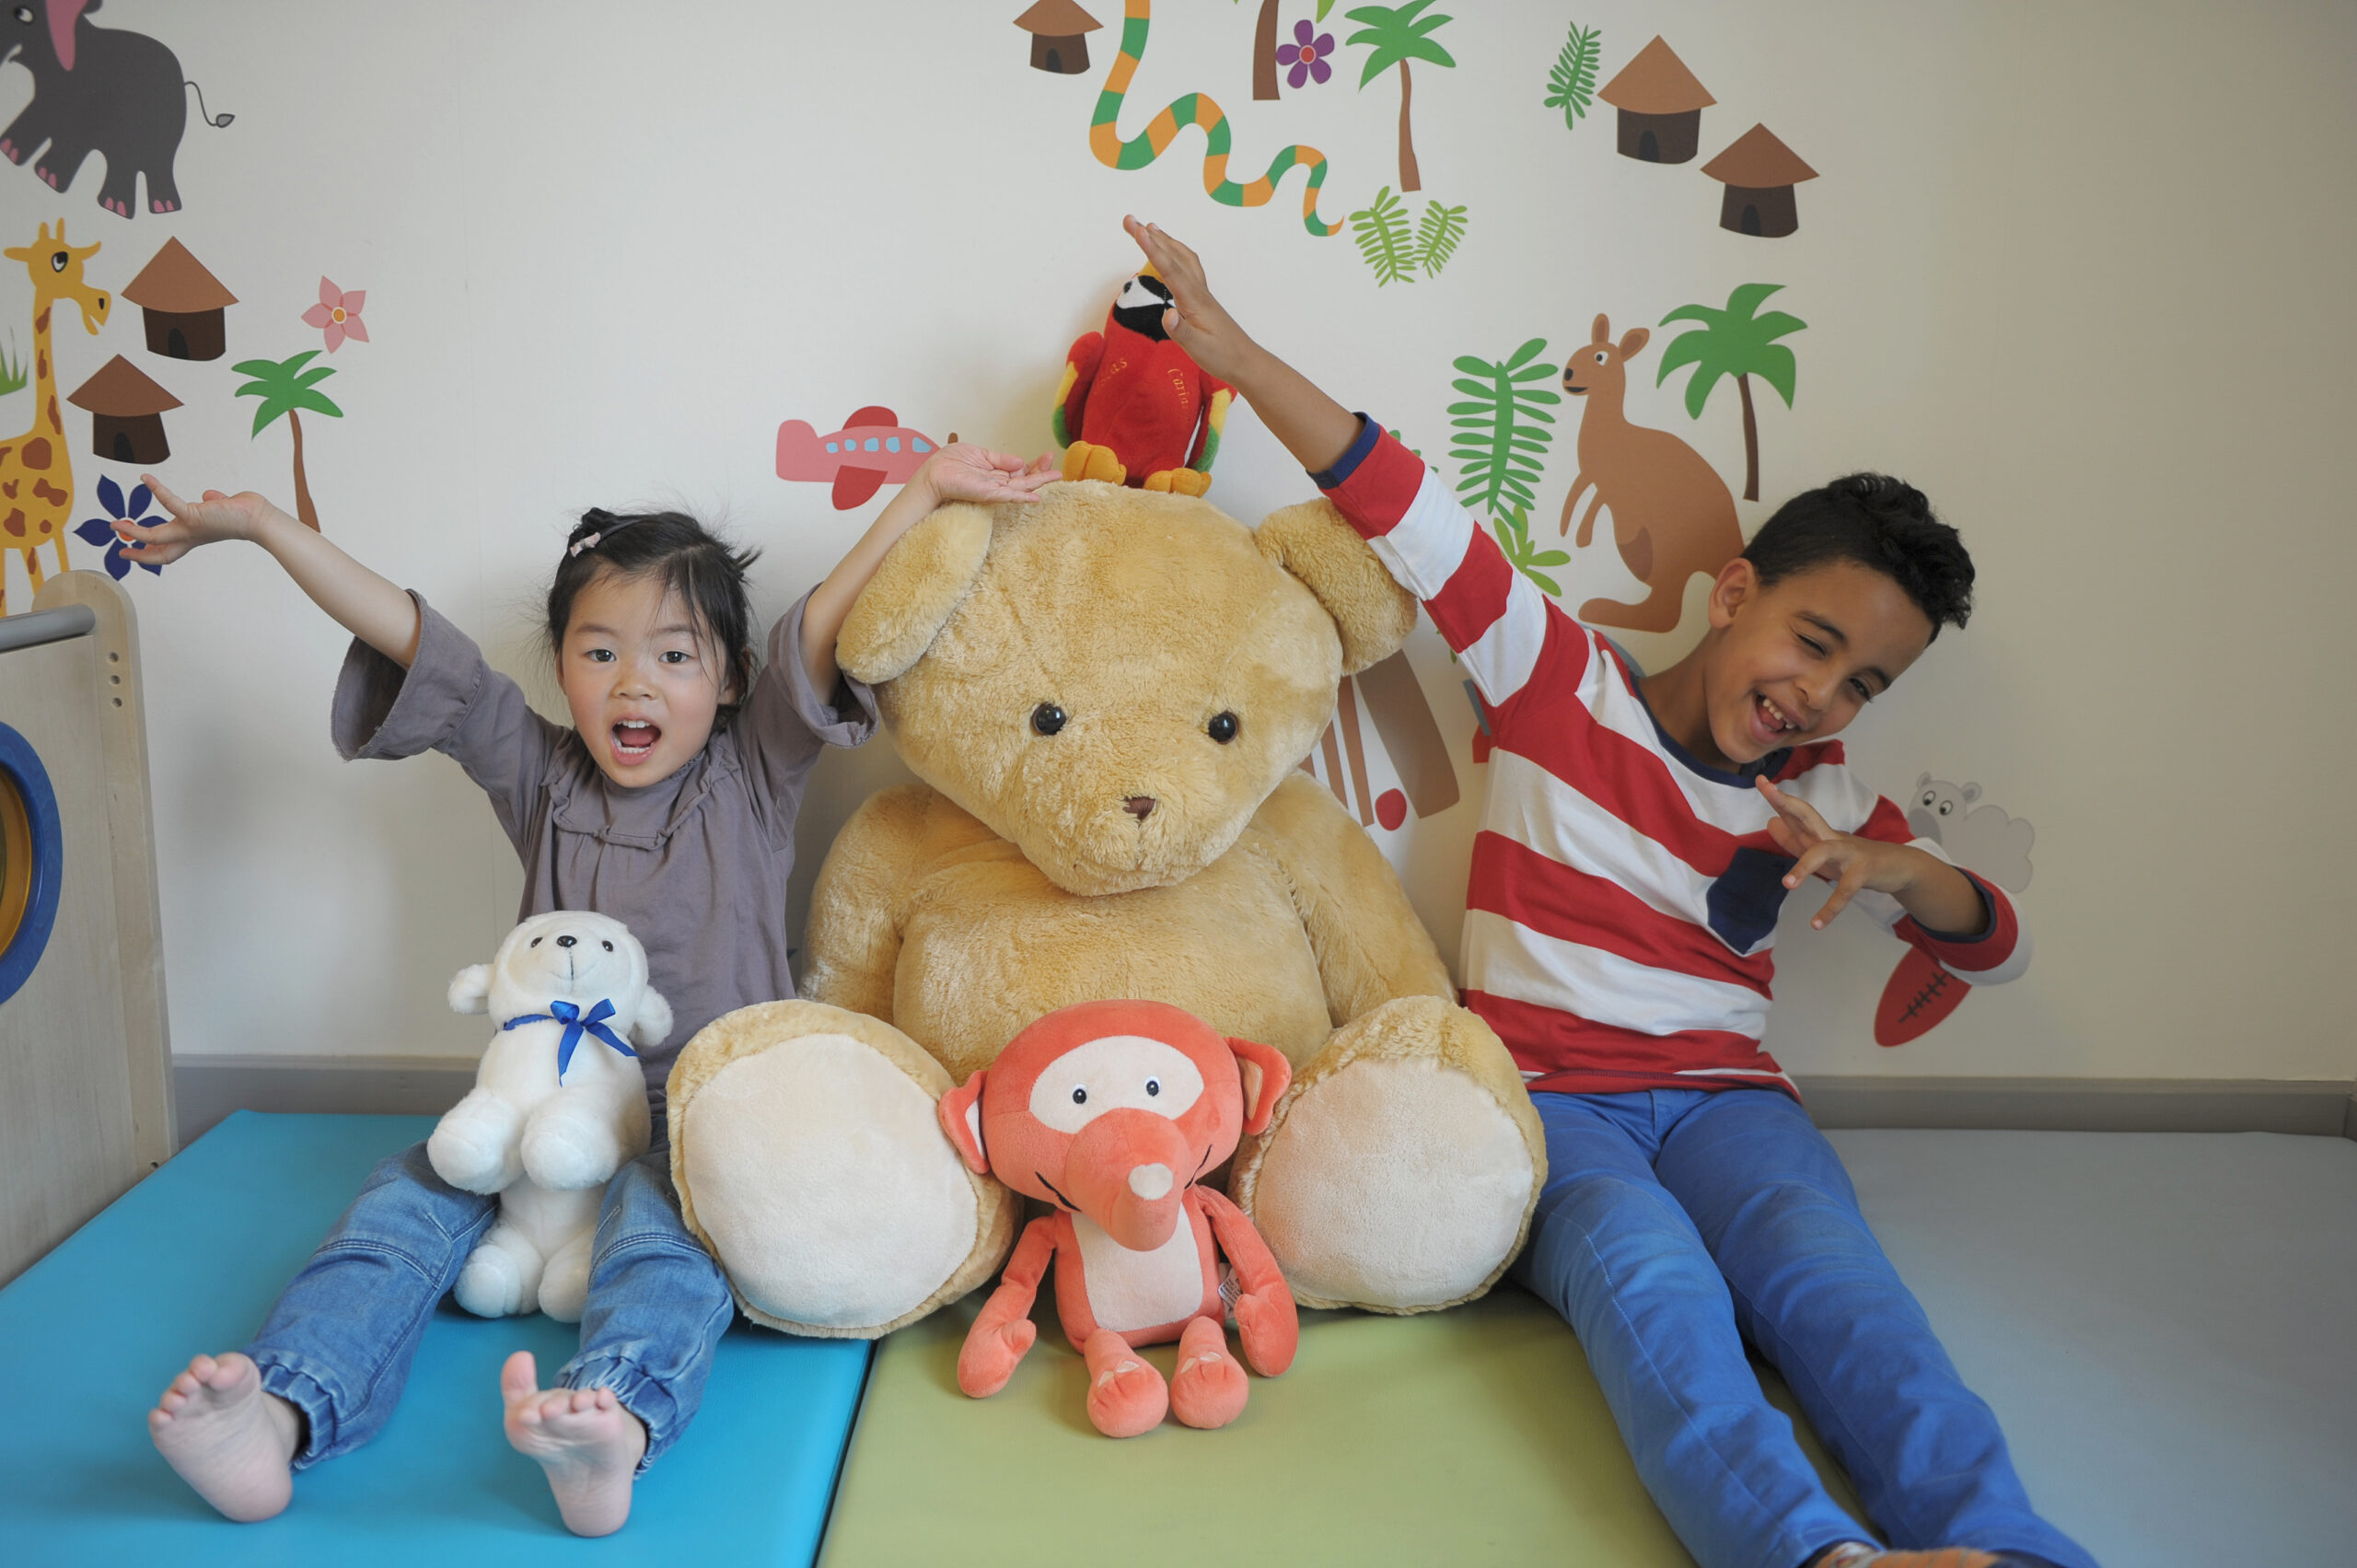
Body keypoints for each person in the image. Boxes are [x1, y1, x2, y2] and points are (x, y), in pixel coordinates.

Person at [1122, 215, 2094, 1568]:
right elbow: (1400, 500)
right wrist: (1233, 352)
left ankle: (2008, 1541)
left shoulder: (1819, 792)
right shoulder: (1554, 676)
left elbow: (2000, 946)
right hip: (1551, 1104)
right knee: (1655, 1283)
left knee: (1843, 1292)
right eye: (1813, 642)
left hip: (1730, 1104)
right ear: (1735, 592)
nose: (1821, 692)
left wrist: (1899, 866)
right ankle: (1812, 1552)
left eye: (1863, 682)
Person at [134, 443, 1057, 1535]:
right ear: (563, 667)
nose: (633, 681)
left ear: (728, 682)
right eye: (600, 650)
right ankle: (284, 1404)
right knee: (397, 1206)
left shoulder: (753, 773)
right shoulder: (540, 776)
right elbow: (419, 640)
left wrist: (927, 490)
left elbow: (816, 626)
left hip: (686, 1130)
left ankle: (613, 1417)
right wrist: (262, 526)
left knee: (666, 1251)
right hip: (529, 1113)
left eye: (674, 654)